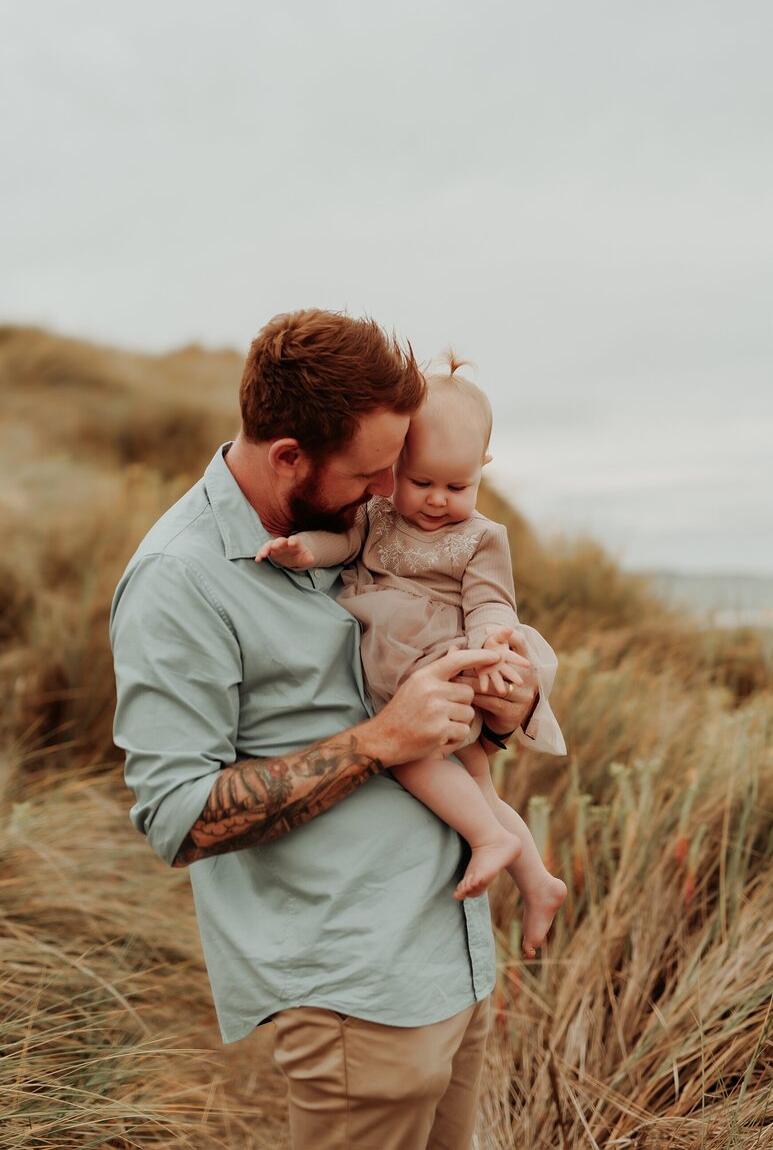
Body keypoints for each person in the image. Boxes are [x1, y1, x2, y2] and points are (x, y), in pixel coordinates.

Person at [110, 309, 541, 1150]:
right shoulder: (179, 581)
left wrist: (511, 708)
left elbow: (452, 642)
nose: (392, 494)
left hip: (448, 957)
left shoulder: (355, 532)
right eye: (375, 473)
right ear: (288, 458)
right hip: (355, 994)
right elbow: (177, 815)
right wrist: (381, 740)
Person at [256, 356, 567, 958]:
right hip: (405, 661)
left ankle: (487, 841)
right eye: (421, 481)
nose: (436, 500)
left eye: (458, 486)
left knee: (408, 758)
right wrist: (305, 550)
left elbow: (490, 602)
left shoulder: (482, 537)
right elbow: (342, 543)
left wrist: (494, 643)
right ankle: (536, 881)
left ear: (484, 470)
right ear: (395, 464)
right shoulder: (375, 515)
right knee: (477, 782)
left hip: (441, 662)